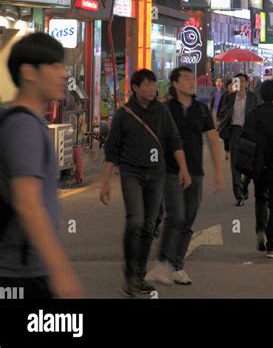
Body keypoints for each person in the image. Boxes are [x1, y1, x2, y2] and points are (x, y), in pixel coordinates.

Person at [0, 33, 83, 299]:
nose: (63, 74)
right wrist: (60, 271)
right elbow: (28, 202)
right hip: (21, 273)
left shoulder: (14, 118)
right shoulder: (24, 126)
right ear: (29, 73)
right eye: (55, 65)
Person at [100, 69, 191, 297]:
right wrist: (105, 183)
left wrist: (183, 168)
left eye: (153, 84)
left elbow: (173, 139)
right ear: (135, 87)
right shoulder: (124, 114)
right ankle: (130, 275)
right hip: (131, 174)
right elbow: (111, 150)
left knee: (149, 226)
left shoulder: (161, 111)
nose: (152, 88)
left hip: (156, 174)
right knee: (135, 222)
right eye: (147, 84)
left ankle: (139, 277)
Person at [154, 67, 224, 285]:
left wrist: (219, 172)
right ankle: (162, 262)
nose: (190, 82)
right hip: (170, 171)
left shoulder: (201, 110)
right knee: (175, 216)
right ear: (175, 84)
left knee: (188, 220)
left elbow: (213, 139)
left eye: (191, 78)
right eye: (185, 79)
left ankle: (176, 266)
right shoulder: (165, 109)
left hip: (195, 172)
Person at [243, 80, 273, 257]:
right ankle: (272, 245)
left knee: (260, 198)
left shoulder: (253, 114)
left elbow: (246, 139)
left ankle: (260, 228)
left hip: (258, 164)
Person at [218, 74, 258, 205]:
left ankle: (245, 183)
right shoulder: (229, 97)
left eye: (242, 81)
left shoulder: (253, 97)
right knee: (235, 165)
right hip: (234, 132)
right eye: (237, 81)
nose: (240, 83)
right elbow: (221, 113)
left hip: (249, 133)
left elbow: (258, 114)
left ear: (247, 83)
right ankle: (239, 195)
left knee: (250, 163)